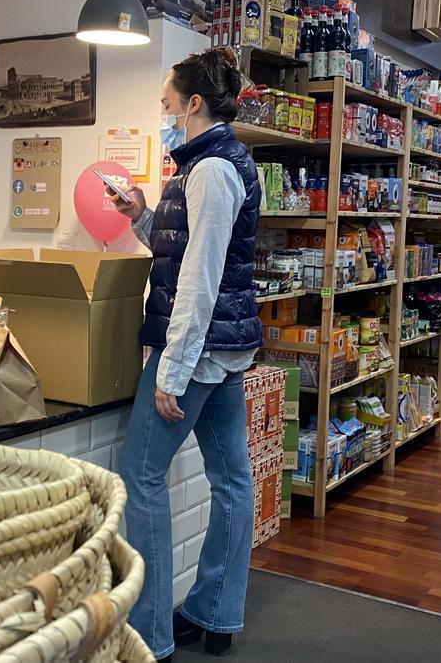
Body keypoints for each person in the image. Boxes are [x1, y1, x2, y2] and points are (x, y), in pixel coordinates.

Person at [107, 47, 261, 662]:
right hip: (222, 350)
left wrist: (170, 370)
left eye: (168, 104)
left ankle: (151, 633)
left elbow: (199, 280)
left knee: (139, 476)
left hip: (196, 353)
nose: (164, 114)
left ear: (194, 104)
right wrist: (143, 217)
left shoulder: (212, 170)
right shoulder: (204, 165)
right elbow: (187, 251)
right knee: (231, 479)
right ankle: (214, 612)